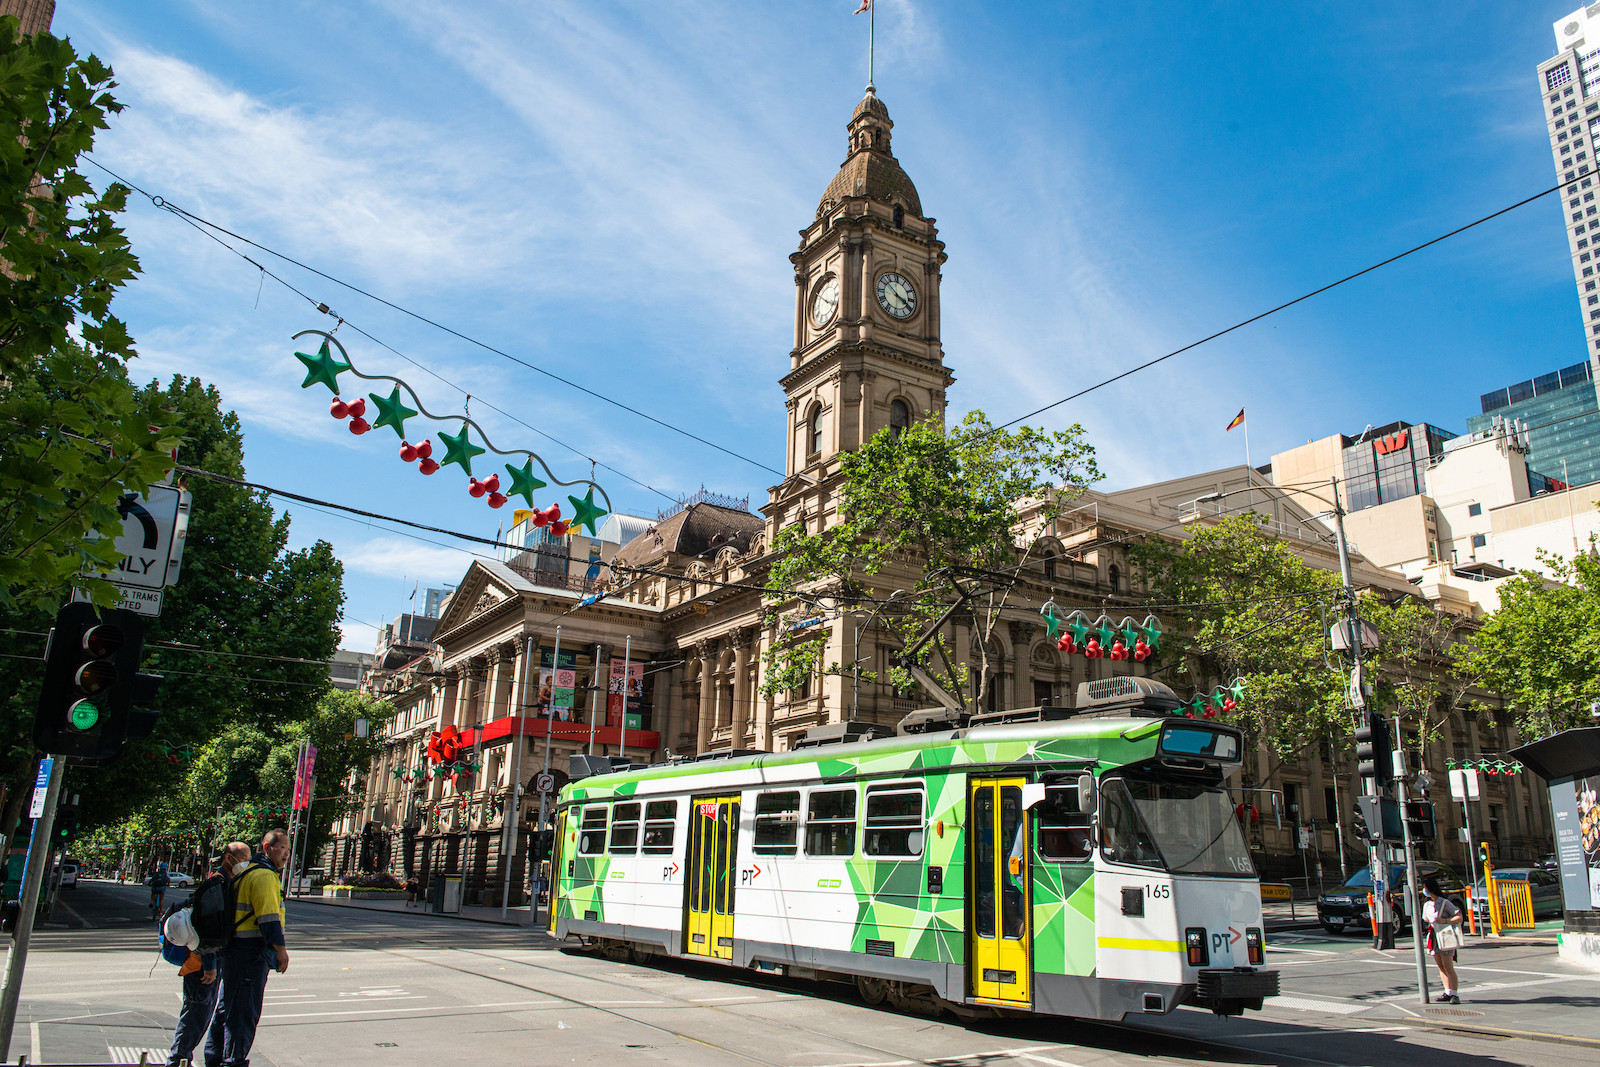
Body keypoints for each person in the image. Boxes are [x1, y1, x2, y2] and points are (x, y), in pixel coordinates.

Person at [205, 832, 290, 1067]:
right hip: (250, 954)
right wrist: (280, 950)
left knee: (226, 1011)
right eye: (282, 847)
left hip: (234, 951)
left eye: (288, 849)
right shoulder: (264, 876)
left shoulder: (246, 872)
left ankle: (214, 1061)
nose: (286, 853)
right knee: (242, 1016)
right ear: (267, 847)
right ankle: (233, 1062)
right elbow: (269, 919)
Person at [167, 845, 247, 1067]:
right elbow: (210, 932)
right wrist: (210, 965)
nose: (247, 862)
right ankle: (177, 1061)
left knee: (201, 1013)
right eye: (244, 858)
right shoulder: (217, 887)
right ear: (229, 858)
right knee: (196, 1014)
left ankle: (180, 1059)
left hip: (207, 962)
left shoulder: (223, 884)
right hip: (202, 964)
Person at [1422, 874, 1464, 1004]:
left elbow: (1459, 917)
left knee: (1448, 966)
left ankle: (1455, 993)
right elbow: (1426, 919)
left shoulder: (1445, 903)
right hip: (1434, 936)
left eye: (1425, 888)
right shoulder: (1427, 904)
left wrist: (1445, 920)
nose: (1424, 891)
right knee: (1440, 966)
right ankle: (1447, 991)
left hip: (1445, 936)